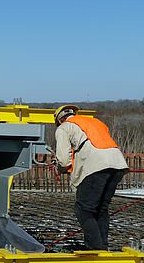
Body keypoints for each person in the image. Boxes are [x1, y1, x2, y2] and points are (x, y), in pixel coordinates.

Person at [53, 105, 128, 250]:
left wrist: (61, 169)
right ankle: (102, 247)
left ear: (59, 119)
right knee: (101, 208)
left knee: (84, 209)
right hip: (117, 164)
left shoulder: (64, 127)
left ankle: (95, 250)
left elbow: (63, 160)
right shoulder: (95, 122)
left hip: (95, 166)